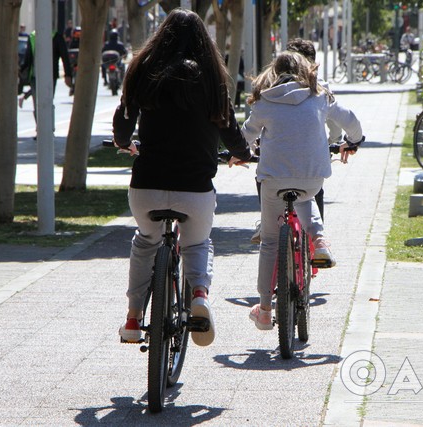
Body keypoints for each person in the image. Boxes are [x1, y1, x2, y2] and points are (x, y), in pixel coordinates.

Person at [111, 8, 252, 346]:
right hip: (195, 189)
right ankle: (200, 295)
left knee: (145, 241)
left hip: (147, 186)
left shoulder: (143, 71)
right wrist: (242, 153)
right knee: (197, 243)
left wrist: (124, 143)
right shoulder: (211, 78)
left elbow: (122, 124)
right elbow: (231, 131)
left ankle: (132, 318)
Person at [239, 51, 363, 330]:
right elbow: (350, 119)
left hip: (272, 179)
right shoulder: (319, 95)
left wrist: (238, 154)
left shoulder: (264, 101)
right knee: (306, 197)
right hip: (312, 178)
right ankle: (319, 241)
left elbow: (246, 135)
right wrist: (353, 141)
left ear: (273, 73)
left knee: (270, 241)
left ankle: (265, 309)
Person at [249, 38, 343, 244]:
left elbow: (251, 127)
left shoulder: (272, 90)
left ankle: (265, 224)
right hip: (310, 166)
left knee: (263, 178)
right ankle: (317, 239)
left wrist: (246, 148)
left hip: (276, 170)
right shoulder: (319, 90)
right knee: (312, 192)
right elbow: (338, 123)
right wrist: (331, 143)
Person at [20, 30, 73, 127]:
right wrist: (21, 73)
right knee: (37, 105)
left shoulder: (56, 37)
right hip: (34, 76)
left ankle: (48, 128)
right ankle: (40, 129)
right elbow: (28, 57)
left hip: (50, 76)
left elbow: (65, 56)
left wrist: (68, 74)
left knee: (47, 104)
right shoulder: (32, 36)